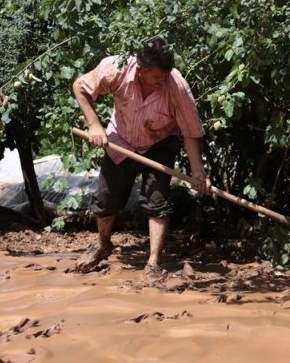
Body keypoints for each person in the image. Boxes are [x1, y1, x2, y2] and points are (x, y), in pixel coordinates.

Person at [72, 36, 210, 275]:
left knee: (157, 201)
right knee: (106, 200)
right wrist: (94, 125)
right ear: (141, 69)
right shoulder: (116, 68)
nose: (162, 81)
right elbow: (80, 87)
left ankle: (153, 262)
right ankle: (103, 245)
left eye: (165, 75)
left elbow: (190, 131)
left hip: (160, 142)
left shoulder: (177, 86)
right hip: (121, 140)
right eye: (157, 77)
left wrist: (198, 172)